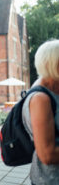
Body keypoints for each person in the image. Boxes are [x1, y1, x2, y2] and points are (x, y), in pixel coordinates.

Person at [22, 40, 59, 184]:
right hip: (50, 180)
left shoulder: (52, 88)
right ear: (54, 65)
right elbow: (47, 155)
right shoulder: (40, 99)